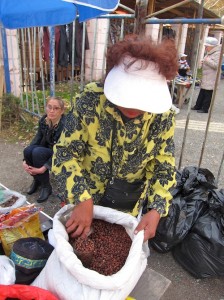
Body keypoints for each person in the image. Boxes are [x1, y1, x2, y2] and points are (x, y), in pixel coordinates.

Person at [52, 35, 178, 242]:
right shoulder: (90, 101)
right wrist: (81, 198)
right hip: (85, 193)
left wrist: (156, 209)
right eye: (126, 97)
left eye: (141, 102)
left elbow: (163, 164)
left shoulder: (163, 117)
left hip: (128, 201)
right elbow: (65, 152)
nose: (133, 107)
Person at [23, 96, 65, 203]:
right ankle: (37, 180)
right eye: (49, 107)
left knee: (38, 152)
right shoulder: (44, 120)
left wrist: (45, 167)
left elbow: (61, 150)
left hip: (61, 154)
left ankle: (46, 186)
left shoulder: (65, 125)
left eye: (56, 108)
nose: (51, 111)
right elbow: (37, 138)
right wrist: (24, 160)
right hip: (47, 150)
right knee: (28, 150)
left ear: (62, 111)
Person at [192, 36, 221, 113]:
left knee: (208, 94)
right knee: (202, 91)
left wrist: (206, 60)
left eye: (206, 46)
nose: (205, 47)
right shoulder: (210, 53)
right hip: (207, 76)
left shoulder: (217, 54)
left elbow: (216, 65)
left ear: (212, 46)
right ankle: (198, 106)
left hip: (212, 77)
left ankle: (205, 109)